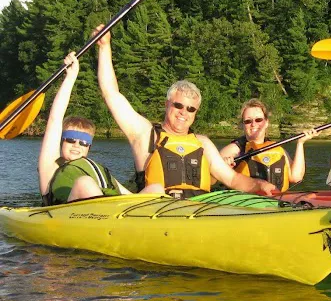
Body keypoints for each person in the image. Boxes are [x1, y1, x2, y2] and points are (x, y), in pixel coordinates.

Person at [95, 28, 275, 198]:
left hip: (197, 212)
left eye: (190, 109)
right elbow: (111, 94)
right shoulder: (145, 135)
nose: (183, 112)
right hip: (157, 212)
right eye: (178, 105)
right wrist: (104, 47)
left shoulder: (202, 143)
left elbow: (233, 179)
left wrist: (259, 185)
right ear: (167, 104)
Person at [38, 51, 159, 206]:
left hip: (110, 212)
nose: (76, 145)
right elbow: (55, 119)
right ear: (62, 141)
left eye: (83, 142)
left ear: (89, 147)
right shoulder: (50, 165)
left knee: (156, 188)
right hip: (67, 214)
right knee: (85, 183)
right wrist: (71, 77)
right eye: (70, 140)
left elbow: (128, 196)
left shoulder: (94, 170)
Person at [219, 99, 318, 192]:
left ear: (266, 123)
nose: (253, 124)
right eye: (248, 121)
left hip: (276, 202)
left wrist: (300, 143)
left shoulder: (277, 149)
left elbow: (296, 177)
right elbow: (211, 177)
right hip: (243, 204)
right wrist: (224, 168)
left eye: (258, 120)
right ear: (242, 125)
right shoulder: (233, 150)